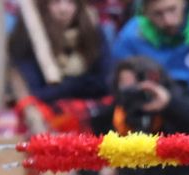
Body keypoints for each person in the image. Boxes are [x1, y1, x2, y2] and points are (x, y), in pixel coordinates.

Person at [11, 0, 113, 133]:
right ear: (44, 6)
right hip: (51, 108)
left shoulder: (93, 33)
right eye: (56, 2)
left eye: (70, 2)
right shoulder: (28, 39)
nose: (63, 9)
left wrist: (65, 87)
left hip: (91, 106)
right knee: (35, 112)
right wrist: (78, 85)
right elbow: (37, 93)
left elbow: (105, 83)